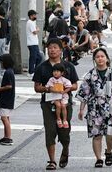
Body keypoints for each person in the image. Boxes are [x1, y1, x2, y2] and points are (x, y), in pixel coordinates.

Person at [77, 48, 112, 168]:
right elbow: (84, 93)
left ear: (107, 58)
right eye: (97, 57)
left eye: (102, 56)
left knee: (110, 135)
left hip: (110, 109)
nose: (100, 58)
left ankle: (109, 151)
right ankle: (98, 158)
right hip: (94, 109)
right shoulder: (89, 75)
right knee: (97, 135)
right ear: (94, 59)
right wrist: (81, 110)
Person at [33, 38, 79, 170]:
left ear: (60, 50)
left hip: (65, 103)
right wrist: (48, 89)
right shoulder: (42, 67)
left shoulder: (68, 66)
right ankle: (52, 160)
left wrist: (67, 89)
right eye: (50, 47)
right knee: (50, 131)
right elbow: (36, 87)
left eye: (55, 47)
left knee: (64, 131)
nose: (52, 50)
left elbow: (75, 84)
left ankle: (65, 149)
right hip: (48, 102)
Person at [0, 54, 15, 146]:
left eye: (2, 62)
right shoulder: (10, 71)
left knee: (3, 118)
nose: (1, 64)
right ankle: (6, 136)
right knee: (6, 117)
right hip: (9, 98)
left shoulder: (8, 72)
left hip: (6, 99)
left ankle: (9, 137)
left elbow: (9, 86)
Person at [45, 63, 72, 129]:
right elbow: (49, 88)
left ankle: (65, 120)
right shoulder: (51, 80)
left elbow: (69, 87)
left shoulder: (64, 80)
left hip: (62, 96)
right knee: (58, 105)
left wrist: (64, 91)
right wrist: (56, 91)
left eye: (57, 71)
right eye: (54, 71)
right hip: (55, 96)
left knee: (63, 105)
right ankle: (58, 119)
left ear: (62, 73)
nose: (55, 73)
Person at [27, 10, 43, 76]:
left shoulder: (32, 22)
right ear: (31, 16)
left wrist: (37, 29)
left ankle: (35, 70)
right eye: (34, 15)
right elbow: (34, 31)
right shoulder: (30, 22)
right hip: (32, 43)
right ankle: (31, 72)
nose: (35, 16)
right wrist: (38, 30)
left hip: (34, 42)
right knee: (33, 57)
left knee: (38, 57)